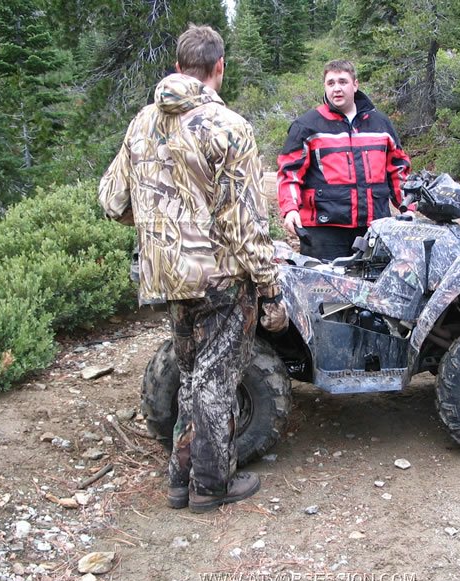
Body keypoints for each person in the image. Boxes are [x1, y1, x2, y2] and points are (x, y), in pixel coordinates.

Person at [98, 24, 287, 513]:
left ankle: (180, 483)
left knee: (190, 377)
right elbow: (245, 224)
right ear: (219, 67)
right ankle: (211, 485)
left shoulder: (142, 122)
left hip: (167, 275)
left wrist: (161, 227)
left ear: (179, 67)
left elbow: (112, 199)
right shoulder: (229, 127)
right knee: (216, 381)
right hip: (222, 277)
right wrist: (270, 286)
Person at [277, 59, 412, 261]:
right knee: (322, 282)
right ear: (325, 87)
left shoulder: (381, 124)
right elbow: (289, 172)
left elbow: (398, 169)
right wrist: (290, 209)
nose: (337, 88)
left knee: (378, 282)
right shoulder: (306, 125)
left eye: (342, 82)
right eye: (331, 83)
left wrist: (407, 209)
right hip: (323, 231)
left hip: (374, 227)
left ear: (355, 85)